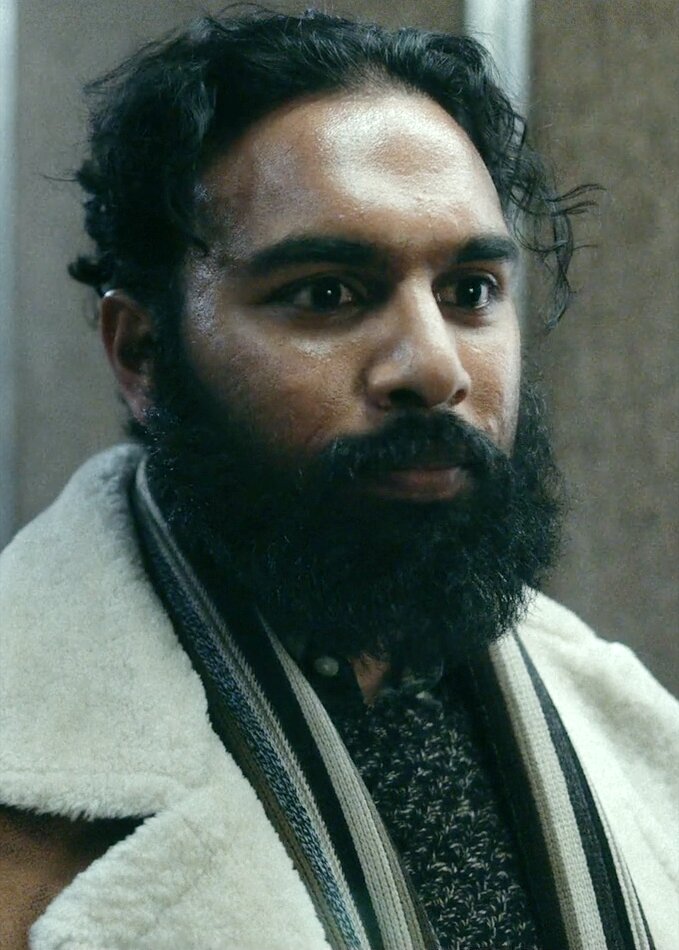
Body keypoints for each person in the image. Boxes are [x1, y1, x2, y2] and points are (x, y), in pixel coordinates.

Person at [0, 10, 677, 950]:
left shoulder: (631, 734)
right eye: (327, 293)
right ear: (143, 352)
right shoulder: (26, 780)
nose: (434, 367)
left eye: (469, 291)